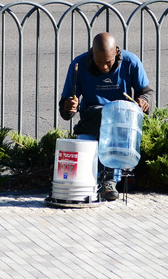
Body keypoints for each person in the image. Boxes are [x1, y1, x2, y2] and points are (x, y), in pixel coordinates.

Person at [59, 32, 153, 202]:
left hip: (121, 121)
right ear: (91, 54)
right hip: (92, 118)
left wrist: (143, 101)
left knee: (113, 116)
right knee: (103, 114)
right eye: (99, 62)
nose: (103, 67)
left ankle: (108, 180)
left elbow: (146, 93)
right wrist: (69, 106)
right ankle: (101, 180)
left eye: (108, 62)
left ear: (116, 52)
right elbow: (66, 108)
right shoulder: (78, 64)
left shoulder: (131, 62)